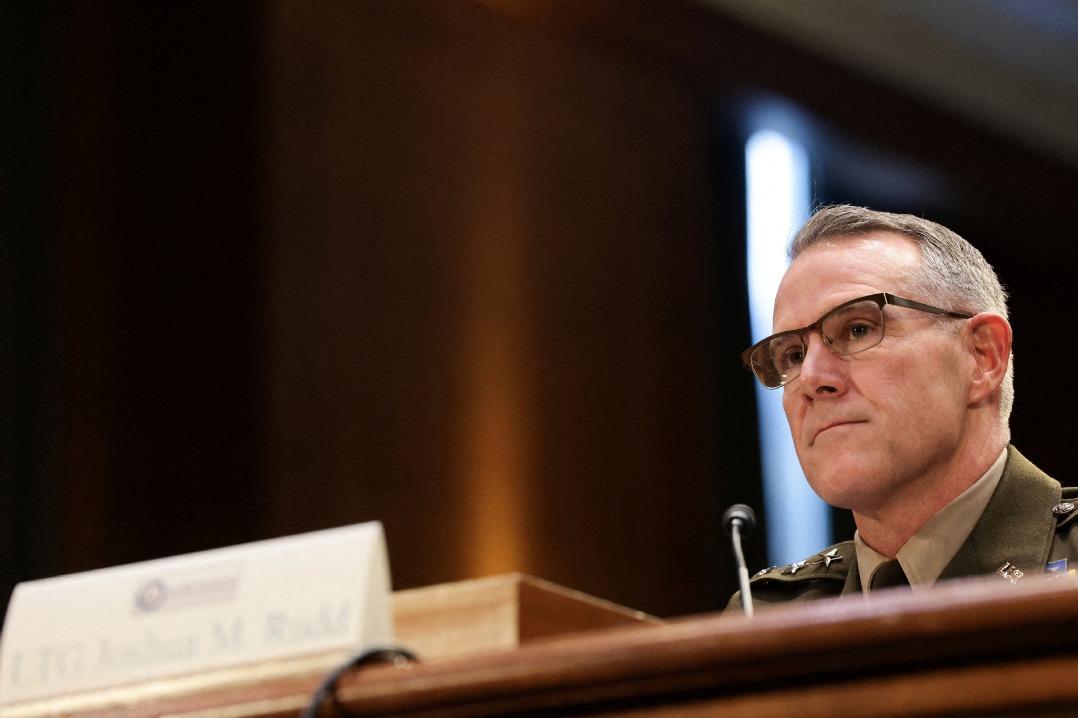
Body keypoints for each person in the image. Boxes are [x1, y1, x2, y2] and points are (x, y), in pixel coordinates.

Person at [729, 205, 1078, 609]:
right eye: (792, 356)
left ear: (982, 357)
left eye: (858, 329)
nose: (811, 378)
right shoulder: (765, 616)